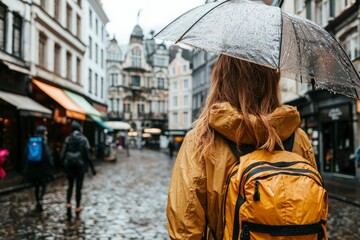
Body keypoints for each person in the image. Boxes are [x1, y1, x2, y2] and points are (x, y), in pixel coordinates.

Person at [166, 55, 318, 239]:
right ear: (271, 80)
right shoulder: (298, 138)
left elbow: (184, 229)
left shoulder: (201, 140)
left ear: (221, 79)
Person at [61, 121, 96, 218]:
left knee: (70, 186)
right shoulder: (83, 139)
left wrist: (63, 164)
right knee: (78, 187)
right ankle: (77, 206)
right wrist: (91, 168)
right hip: (80, 165)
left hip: (69, 165)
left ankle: (68, 203)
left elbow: (63, 153)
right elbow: (87, 154)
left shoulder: (68, 139)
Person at [23, 125, 53, 212]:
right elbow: (47, 155)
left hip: (32, 167)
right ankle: (40, 198)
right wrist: (51, 164)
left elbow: (26, 154)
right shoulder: (43, 141)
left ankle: (37, 200)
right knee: (43, 184)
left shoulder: (31, 140)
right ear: (43, 132)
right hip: (42, 167)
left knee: (36, 185)